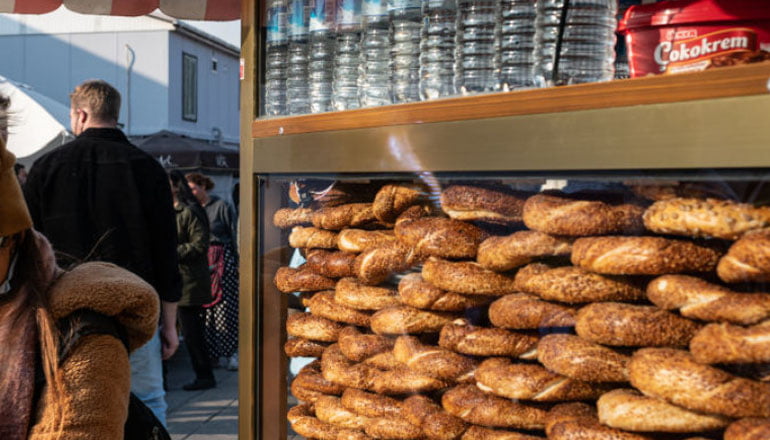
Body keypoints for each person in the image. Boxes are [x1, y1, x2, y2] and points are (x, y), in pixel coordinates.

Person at [23, 80, 181, 425]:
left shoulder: (46, 168)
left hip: (63, 311)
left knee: (69, 408)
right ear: (114, 113)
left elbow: (29, 252)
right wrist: (170, 323)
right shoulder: (148, 169)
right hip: (135, 307)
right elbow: (167, 253)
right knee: (147, 401)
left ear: (80, 114)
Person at [0, 134, 159, 440]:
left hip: (80, 304)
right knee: (151, 394)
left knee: (147, 397)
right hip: (95, 283)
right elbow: (164, 244)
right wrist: (170, 309)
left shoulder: (84, 338)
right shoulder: (145, 164)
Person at [186, 172, 239, 370]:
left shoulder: (221, 206)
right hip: (200, 261)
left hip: (222, 259)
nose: (191, 192)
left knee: (226, 309)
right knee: (205, 311)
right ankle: (213, 355)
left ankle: (231, 352)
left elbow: (233, 233)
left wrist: (238, 260)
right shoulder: (190, 209)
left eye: (193, 187)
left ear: (203, 187)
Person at [169, 170, 217, 390]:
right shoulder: (169, 210)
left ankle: (204, 375)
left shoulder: (189, 211)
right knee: (186, 331)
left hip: (189, 281)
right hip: (177, 279)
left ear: (176, 187)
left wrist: (170, 251)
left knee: (192, 332)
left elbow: (199, 245)